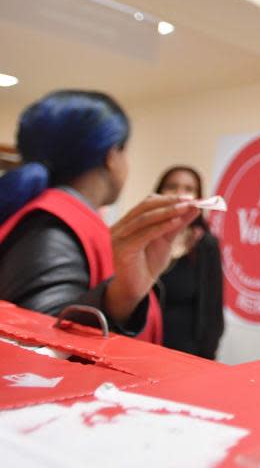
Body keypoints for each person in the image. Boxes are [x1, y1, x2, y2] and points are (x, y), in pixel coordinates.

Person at [0, 90, 199, 340]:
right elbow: (40, 349)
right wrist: (120, 297)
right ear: (112, 156)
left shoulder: (52, 221)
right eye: (125, 151)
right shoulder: (52, 230)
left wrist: (123, 293)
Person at [153, 166, 224, 359]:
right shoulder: (144, 239)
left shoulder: (206, 245)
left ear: (199, 198)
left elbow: (213, 312)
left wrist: (205, 360)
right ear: (159, 192)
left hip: (184, 355)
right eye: (172, 187)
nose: (180, 195)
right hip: (138, 347)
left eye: (188, 189)